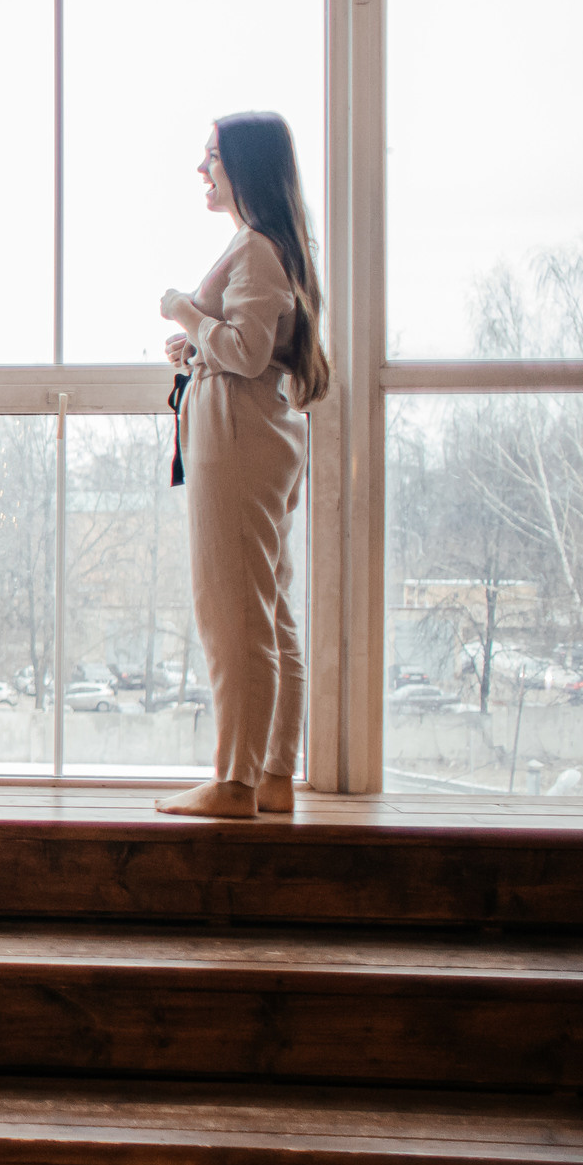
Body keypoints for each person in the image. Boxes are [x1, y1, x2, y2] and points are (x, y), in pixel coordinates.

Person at [154, 111, 332, 819]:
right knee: (266, 607)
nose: (202, 169)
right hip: (257, 429)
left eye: (213, 156)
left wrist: (183, 312)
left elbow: (248, 353)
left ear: (245, 167)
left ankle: (234, 782)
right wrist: (197, 346)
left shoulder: (256, 247)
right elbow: (253, 345)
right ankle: (271, 777)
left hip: (238, 433)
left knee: (231, 610)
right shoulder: (273, 245)